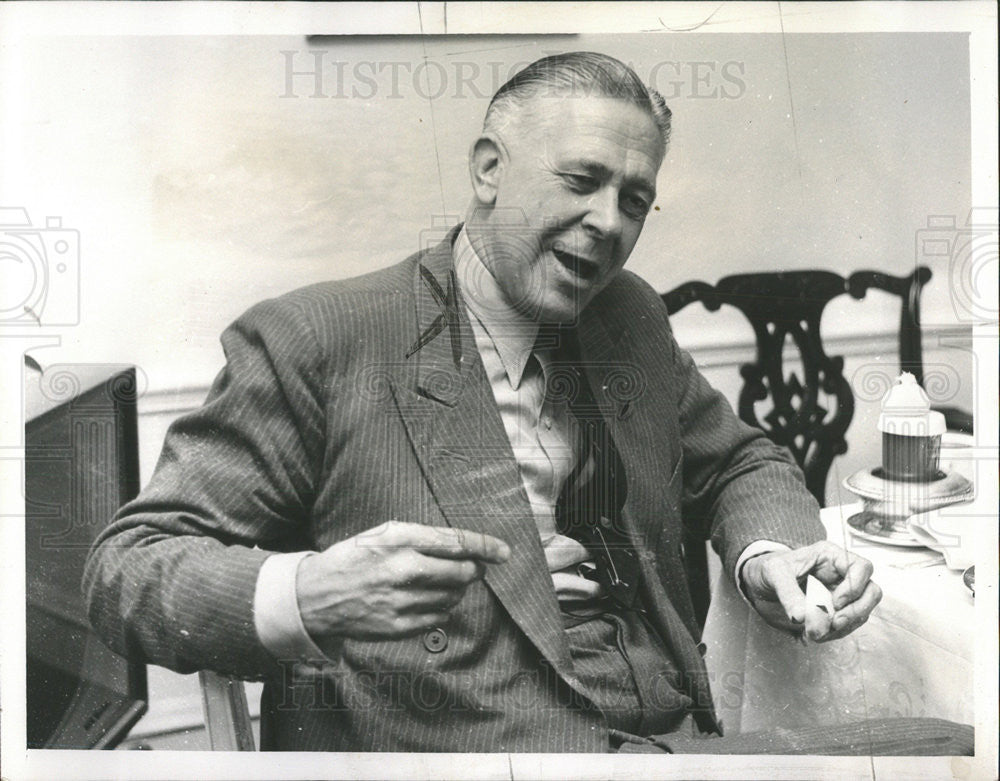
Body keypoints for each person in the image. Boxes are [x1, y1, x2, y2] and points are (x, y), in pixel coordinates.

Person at [83, 52, 972, 754]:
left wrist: (771, 555)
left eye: (634, 199)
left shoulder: (626, 315)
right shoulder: (319, 339)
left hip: (670, 736)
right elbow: (127, 569)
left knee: (952, 747)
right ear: (487, 169)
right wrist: (310, 591)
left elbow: (739, 458)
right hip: (460, 747)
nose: (609, 222)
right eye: (580, 180)